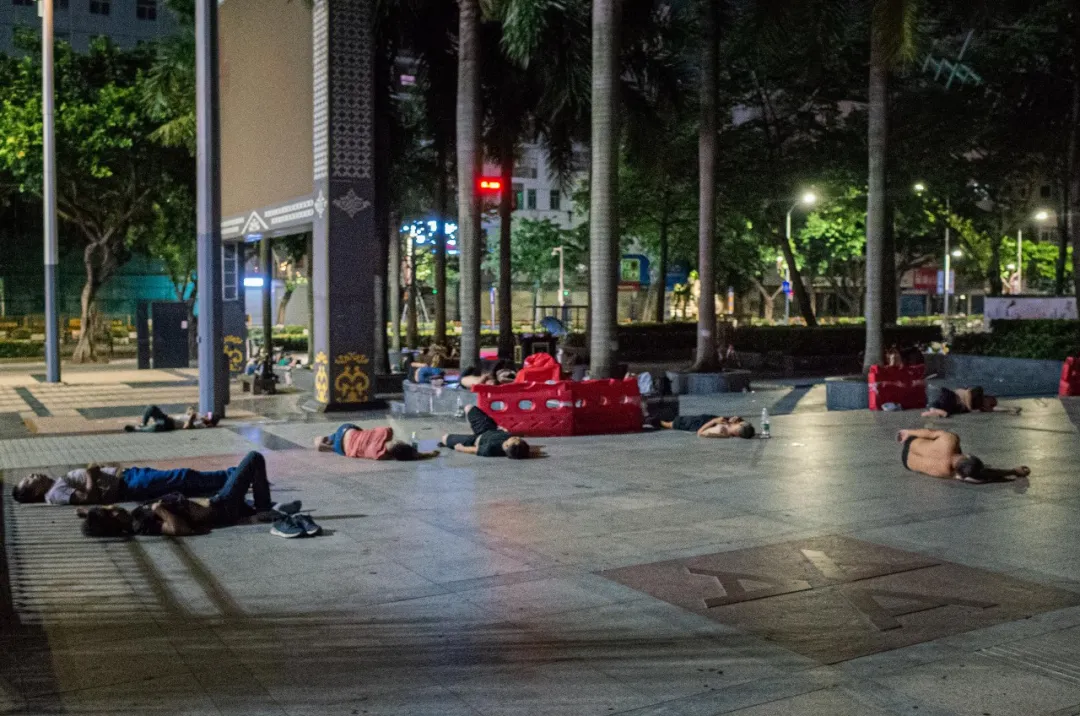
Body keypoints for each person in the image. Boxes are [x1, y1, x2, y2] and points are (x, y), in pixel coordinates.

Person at [78, 451, 316, 538]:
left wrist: (85, 512)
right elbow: (180, 530)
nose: (113, 508)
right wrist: (159, 509)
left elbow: (97, 515)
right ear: (113, 520)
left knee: (245, 480)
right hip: (221, 508)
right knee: (254, 458)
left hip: (219, 504)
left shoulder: (134, 517)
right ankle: (265, 510)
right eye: (110, 512)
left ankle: (270, 511)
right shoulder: (142, 524)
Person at [11, 455, 254, 506]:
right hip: (130, 484)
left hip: (128, 478)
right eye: (28, 481)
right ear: (33, 493)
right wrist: (91, 475)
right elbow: (89, 498)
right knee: (182, 476)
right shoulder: (54, 494)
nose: (33, 476)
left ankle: (235, 479)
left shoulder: (55, 486)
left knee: (184, 482)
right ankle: (235, 474)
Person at [897, 428, 1030, 483]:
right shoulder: (948, 472)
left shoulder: (950, 440)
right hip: (906, 463)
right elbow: (985, 475)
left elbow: (930, 432)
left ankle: (909, 435)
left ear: (968, 456)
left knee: (938, 436)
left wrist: (908, 432)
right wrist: (1012, 471)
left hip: (912, 443)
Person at [440, 405, 532, 459]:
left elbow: (475, 450)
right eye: (519, 439)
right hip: (488, 429)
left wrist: (461, 448)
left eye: (515, 439)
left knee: (445, 438)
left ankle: (468, 435)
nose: (517, 437)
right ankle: (473, 426)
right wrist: (503, 430)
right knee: (469, 407)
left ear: (507, 446)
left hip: (474, 440)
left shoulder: (491, 449)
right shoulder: (511, 441)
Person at [313, 424, 437, 460]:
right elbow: (411, 456)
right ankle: (331, 448)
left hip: (345, 432)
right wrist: (427, 454)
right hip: (344, 449)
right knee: (348, 447)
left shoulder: (385, 432)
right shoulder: (379, 454)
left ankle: (325, 440)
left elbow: (391, 427)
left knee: (323, 438)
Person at [921, 386, 1021, 418]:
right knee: (943, 409)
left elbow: (994, 409)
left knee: (945, 412)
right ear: (986, 398)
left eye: (990, 404)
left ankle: (932, 410)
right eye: (990, 401)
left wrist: (1009, 409)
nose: (989, 404)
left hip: (950, 405)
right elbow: (968, 392)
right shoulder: (976, 393)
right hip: (949, 396)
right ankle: (933, 409)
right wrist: (969, 408)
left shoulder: (980, 407)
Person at [123, 405, 219, 433]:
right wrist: (190, 411)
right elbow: (187, 414)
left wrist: (191, 418)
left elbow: (186, 427)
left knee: (157, 426)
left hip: (170, 425)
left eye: (208, 417)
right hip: (167, 418)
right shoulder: (200, 416)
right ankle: (143, 424)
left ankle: (138, 429)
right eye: (207, 414)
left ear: (210, 423)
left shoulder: (201, 425)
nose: (205, 415)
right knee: (151, 408)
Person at [660, 415, 756, 439]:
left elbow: (700, 433)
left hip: (697, 424)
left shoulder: (722, 431)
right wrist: (736, 418)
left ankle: (657, 422)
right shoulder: (731, 425)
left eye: (741, 423)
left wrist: (714, 421)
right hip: (703, 419)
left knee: (673, 423)